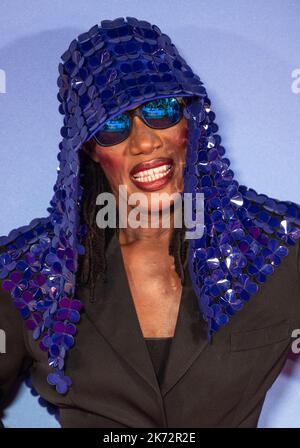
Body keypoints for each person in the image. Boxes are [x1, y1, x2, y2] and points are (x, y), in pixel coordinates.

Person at [0, 16, 299, 428]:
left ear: (190, 122)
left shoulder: (280, 248)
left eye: (160, 110)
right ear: (87, 148)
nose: (144, 141)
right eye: (114, 125)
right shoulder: (26, 274)